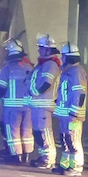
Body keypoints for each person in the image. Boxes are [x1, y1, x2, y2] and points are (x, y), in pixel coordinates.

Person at [0, 38, 34, 165]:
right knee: (26, 131)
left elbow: (1, 88)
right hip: (27, 105)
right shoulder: (29, 66)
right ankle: (26, 155)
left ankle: (16, 157)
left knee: (12, 131)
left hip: (12, 106)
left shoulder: (7, 68)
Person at [28, 34, 61, 169]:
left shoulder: (50, 65)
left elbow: (47, 83)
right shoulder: (44, 64)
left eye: (41, 48)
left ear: (48, 50)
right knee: (38, 132)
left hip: (44, 104)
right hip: (38, 104)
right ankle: (43, 156)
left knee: (44, 132)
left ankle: (48, 159)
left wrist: (35, 93)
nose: (39, 50)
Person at [54, 42, 86, 176]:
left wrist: (74, 112)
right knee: (65, 139)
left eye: (63, 56)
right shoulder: (68, 72)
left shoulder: (76, 72)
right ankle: (65, 165)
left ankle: (76, 167)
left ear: (68, 57)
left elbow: (79, 93)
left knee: (73, 140)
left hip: (72, 115)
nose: (61, 58)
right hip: (65, 114)